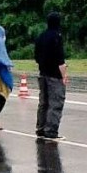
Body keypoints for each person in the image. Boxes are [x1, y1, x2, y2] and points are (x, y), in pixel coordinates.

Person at [35, 12, 68, 140]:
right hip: (54, 75)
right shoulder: (57, 36)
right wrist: (64, 75)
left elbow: (36, 56)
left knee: (43, 103)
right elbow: (60, 58)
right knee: (56, 103)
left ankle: (41, 128)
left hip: (43, 73)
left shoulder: (41, 36)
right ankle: (51, 131)